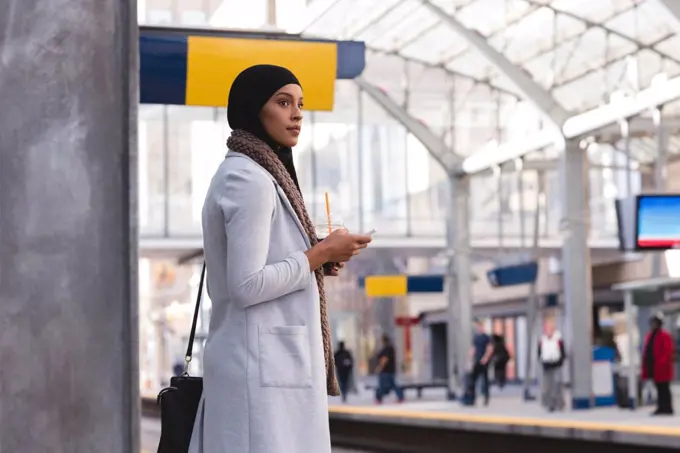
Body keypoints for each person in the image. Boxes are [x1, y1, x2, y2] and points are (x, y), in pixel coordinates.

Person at [188, 64, 373, 453]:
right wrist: (319, 252)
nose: (297, 114)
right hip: (258, 371)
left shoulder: (256, 173)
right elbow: (246, 285)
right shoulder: (249, 180)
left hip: (263, 366)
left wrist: (317, 260)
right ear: (254, 108)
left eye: (301, 104)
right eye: (283, 102)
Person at [641, 312, 674, 415]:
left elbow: (667, 351)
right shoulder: (650, 336)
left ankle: (667, 407)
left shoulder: (664, 335)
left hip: (662, 367)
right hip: (653, 367)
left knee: (664, 387)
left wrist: (661, 363)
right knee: (659, 388)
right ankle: (661, 406)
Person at [537, 320, 565, 412]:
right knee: (547, 386)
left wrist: (560, 361)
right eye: (546, 329)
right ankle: (550, 404)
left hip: (556, 364)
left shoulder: (558, 339)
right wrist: (541, 360)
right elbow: (539, 351)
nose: (548, 330)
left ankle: (559, 403)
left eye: (550, 328)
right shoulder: (542, 340)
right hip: (546, 365)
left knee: (557, 384)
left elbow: (562, 351)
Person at [467, 319, 493, 405]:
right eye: (478, 326)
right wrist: (470, 359)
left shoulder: (487, 337)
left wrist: (485, 358)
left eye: (480, 326)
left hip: (484, 362)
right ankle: (472, 398)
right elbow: (473, 349)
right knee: (473, 380)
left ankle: (486, 399)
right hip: (477, 361)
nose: (479, 328)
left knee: (485, 380)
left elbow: (489, 348)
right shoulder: (475, 337)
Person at [374, 334, 405, 404]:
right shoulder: (391, 348)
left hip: (386, 371)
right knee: (393, 385)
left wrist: (379, 367)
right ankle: (401, 397)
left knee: (382, 385)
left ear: (383, 340)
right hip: (390, 370)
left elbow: (385, 359)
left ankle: (378, 399)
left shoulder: (386, 349)